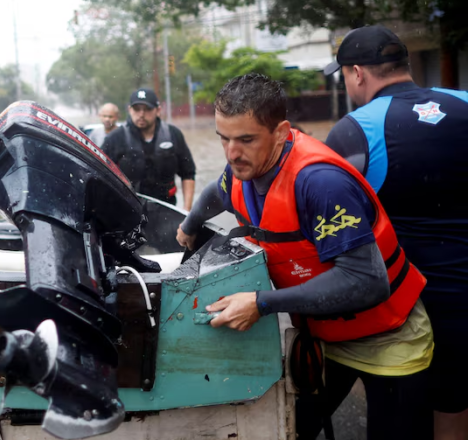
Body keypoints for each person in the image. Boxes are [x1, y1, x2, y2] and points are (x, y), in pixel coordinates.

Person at [175, 74, 433, 440]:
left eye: (246, 139)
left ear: (280, 132)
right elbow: (216, 192)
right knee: (288, 429)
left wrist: (263, 304)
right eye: (224, 138)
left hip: (388, 337)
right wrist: (190, 223)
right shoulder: (243, 168)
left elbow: (368, 280)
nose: (232, 153)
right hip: (324, 336)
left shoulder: (320, 183)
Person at [323, 25, 468, 439]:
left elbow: (331, 225)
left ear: (356, 73)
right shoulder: (465, 103)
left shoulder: (355, 129)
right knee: (454, 408)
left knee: (404, 418)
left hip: (406, 310)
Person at [101, 88, 196, 211]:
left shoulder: (173, 135)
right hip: (127, 211)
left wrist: (186, 212)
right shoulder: (115, 138)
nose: (141, 114)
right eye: (137, 109)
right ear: (130, 110)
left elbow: (188, 174)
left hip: (166, 210)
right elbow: (101, 175)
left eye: (147, 109)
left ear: (158, 110)